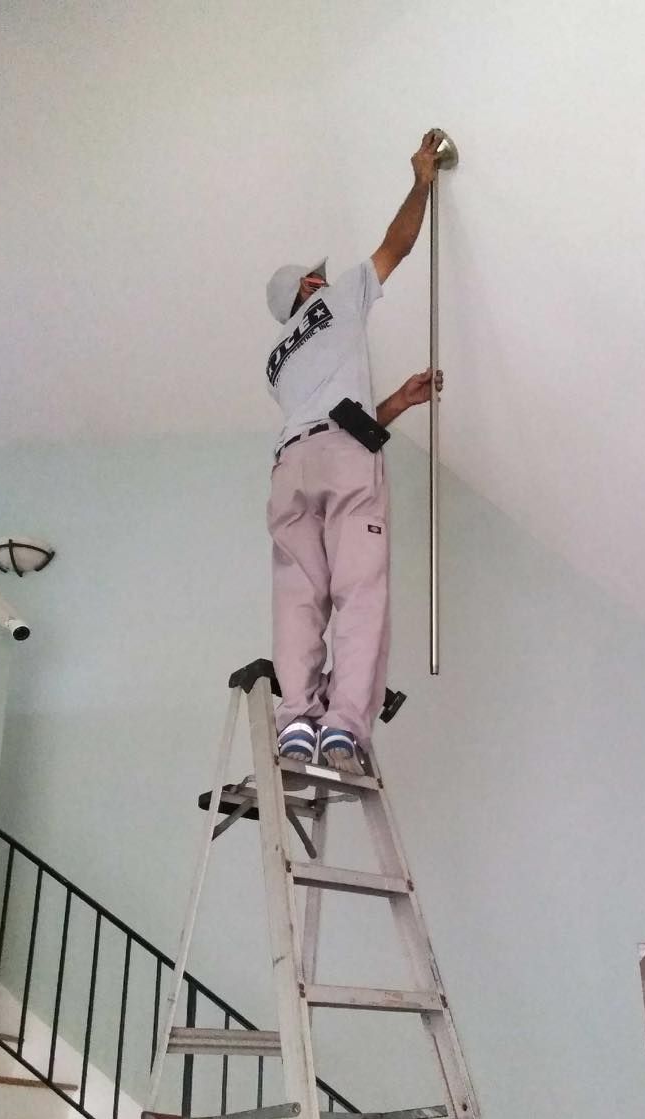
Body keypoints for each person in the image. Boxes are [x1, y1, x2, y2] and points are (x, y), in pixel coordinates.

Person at [264, 130, 444, 770]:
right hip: (341, 458)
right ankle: (342, 726)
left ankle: (294, 722)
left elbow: (331, 413)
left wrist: (395, 402)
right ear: (312, 283)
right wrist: (421, 180)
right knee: (358, 589)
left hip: (289, 468)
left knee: (299, 594)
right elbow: (396, 246)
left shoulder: (277, 360)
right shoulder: (336, 299)